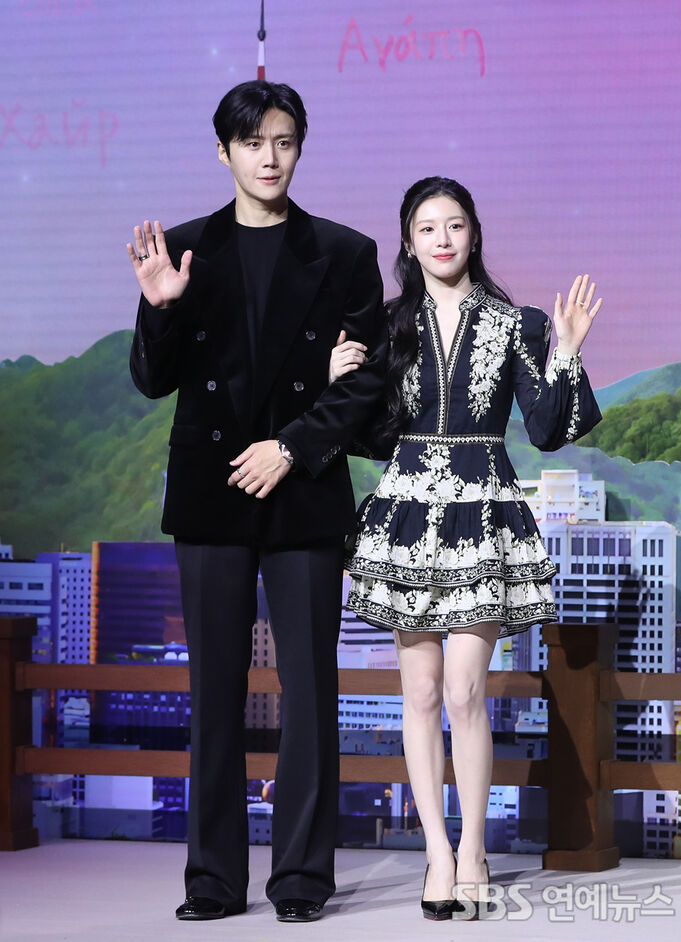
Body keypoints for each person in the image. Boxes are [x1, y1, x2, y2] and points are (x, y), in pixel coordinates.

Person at [126, 80, 386, 923]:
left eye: (283, 141)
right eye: (251, 143)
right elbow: (152, 380)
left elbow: (365, 385)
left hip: (303, 492)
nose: (268, 158)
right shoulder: (186, 247)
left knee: (309, 691)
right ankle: (211, 880)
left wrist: (292, 447)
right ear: (223, 151)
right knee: (214, 692)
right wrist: (159, 309)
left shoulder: (345, 252)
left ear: (299, 147)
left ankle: (302, 878)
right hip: (211, 494)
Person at [333, 176, 602, 920]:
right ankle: (438, 855)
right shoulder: (391, 325)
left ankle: (475, 847)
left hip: (483, 511)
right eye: (427, 228)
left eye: (454, 225)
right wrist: (339, 382)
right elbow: (373, 435)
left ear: (474, 233)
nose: (442, 239)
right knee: (420, 695)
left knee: (463, 692)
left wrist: (566, 350)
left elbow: (546, 429)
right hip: (407, 515)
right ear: (409, 241)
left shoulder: (517, 323)